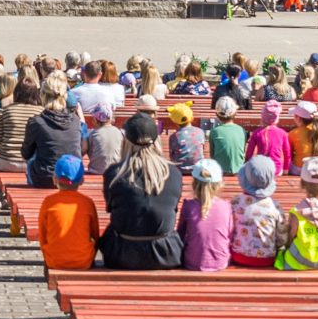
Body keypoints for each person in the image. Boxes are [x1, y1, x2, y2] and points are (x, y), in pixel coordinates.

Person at [98, 112, 185, 270]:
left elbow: (111, 208)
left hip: (122, 254)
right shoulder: (173, 173)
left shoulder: (114, 174)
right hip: (165, 254)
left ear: (126, 141)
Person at [35, 155, 98, 271]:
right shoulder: (88, 203)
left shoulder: (48, 202)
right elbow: (95, 235)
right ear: (82, 181)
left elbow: (43, 235)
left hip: (54, 260)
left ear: (55, 179)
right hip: (83, 261)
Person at [179, 159, 234, 271]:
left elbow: (180, 235)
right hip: (220, 262)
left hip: (191, 262)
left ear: (194, 183)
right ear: (218, 184)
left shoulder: (188, 206)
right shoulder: (226, 206)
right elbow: (230, 235)